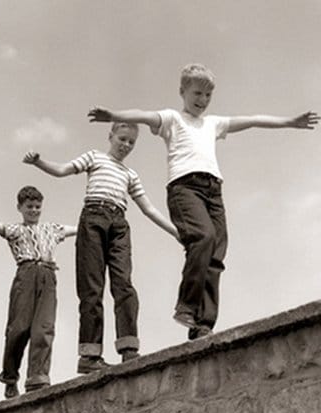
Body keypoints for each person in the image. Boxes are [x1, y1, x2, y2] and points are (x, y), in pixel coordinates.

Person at [87, 63, 320, 340]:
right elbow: (144, 116)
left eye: (208, 96)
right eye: (197, 94)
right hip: (184, 189)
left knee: (216, 253)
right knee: (204, 237)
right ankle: (185, 305)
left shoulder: (214, 123)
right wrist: (113, 114)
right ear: (182, 91)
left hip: (214, 190)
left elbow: (254, 119)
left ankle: (202, 324)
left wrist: (290, 122)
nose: (202, 101)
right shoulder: (172, 119)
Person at [23, 122, 179, 374]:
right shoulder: (94, 157)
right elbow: (63, 170)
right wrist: (39, 162)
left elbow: (148, 208)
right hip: (93, 219)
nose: (126, 145)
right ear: (111, 136)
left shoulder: (130, 175)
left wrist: (175, 231)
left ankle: (129, 348)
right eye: (122, 139)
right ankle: (89, 356)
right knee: (91, 288)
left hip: (119, 225)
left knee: (124, 284)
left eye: (131, 142)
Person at [0, 186, 77, 398]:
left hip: (47, 275)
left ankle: (38, 379)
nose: (34, 210)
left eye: (37, 207)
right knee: (18, 329)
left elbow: (78, 228)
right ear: (20, 208)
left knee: (44, 328)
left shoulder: (52, 228)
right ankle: (10, 377)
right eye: (29, 207)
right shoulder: (16, 230)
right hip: (25, 275)